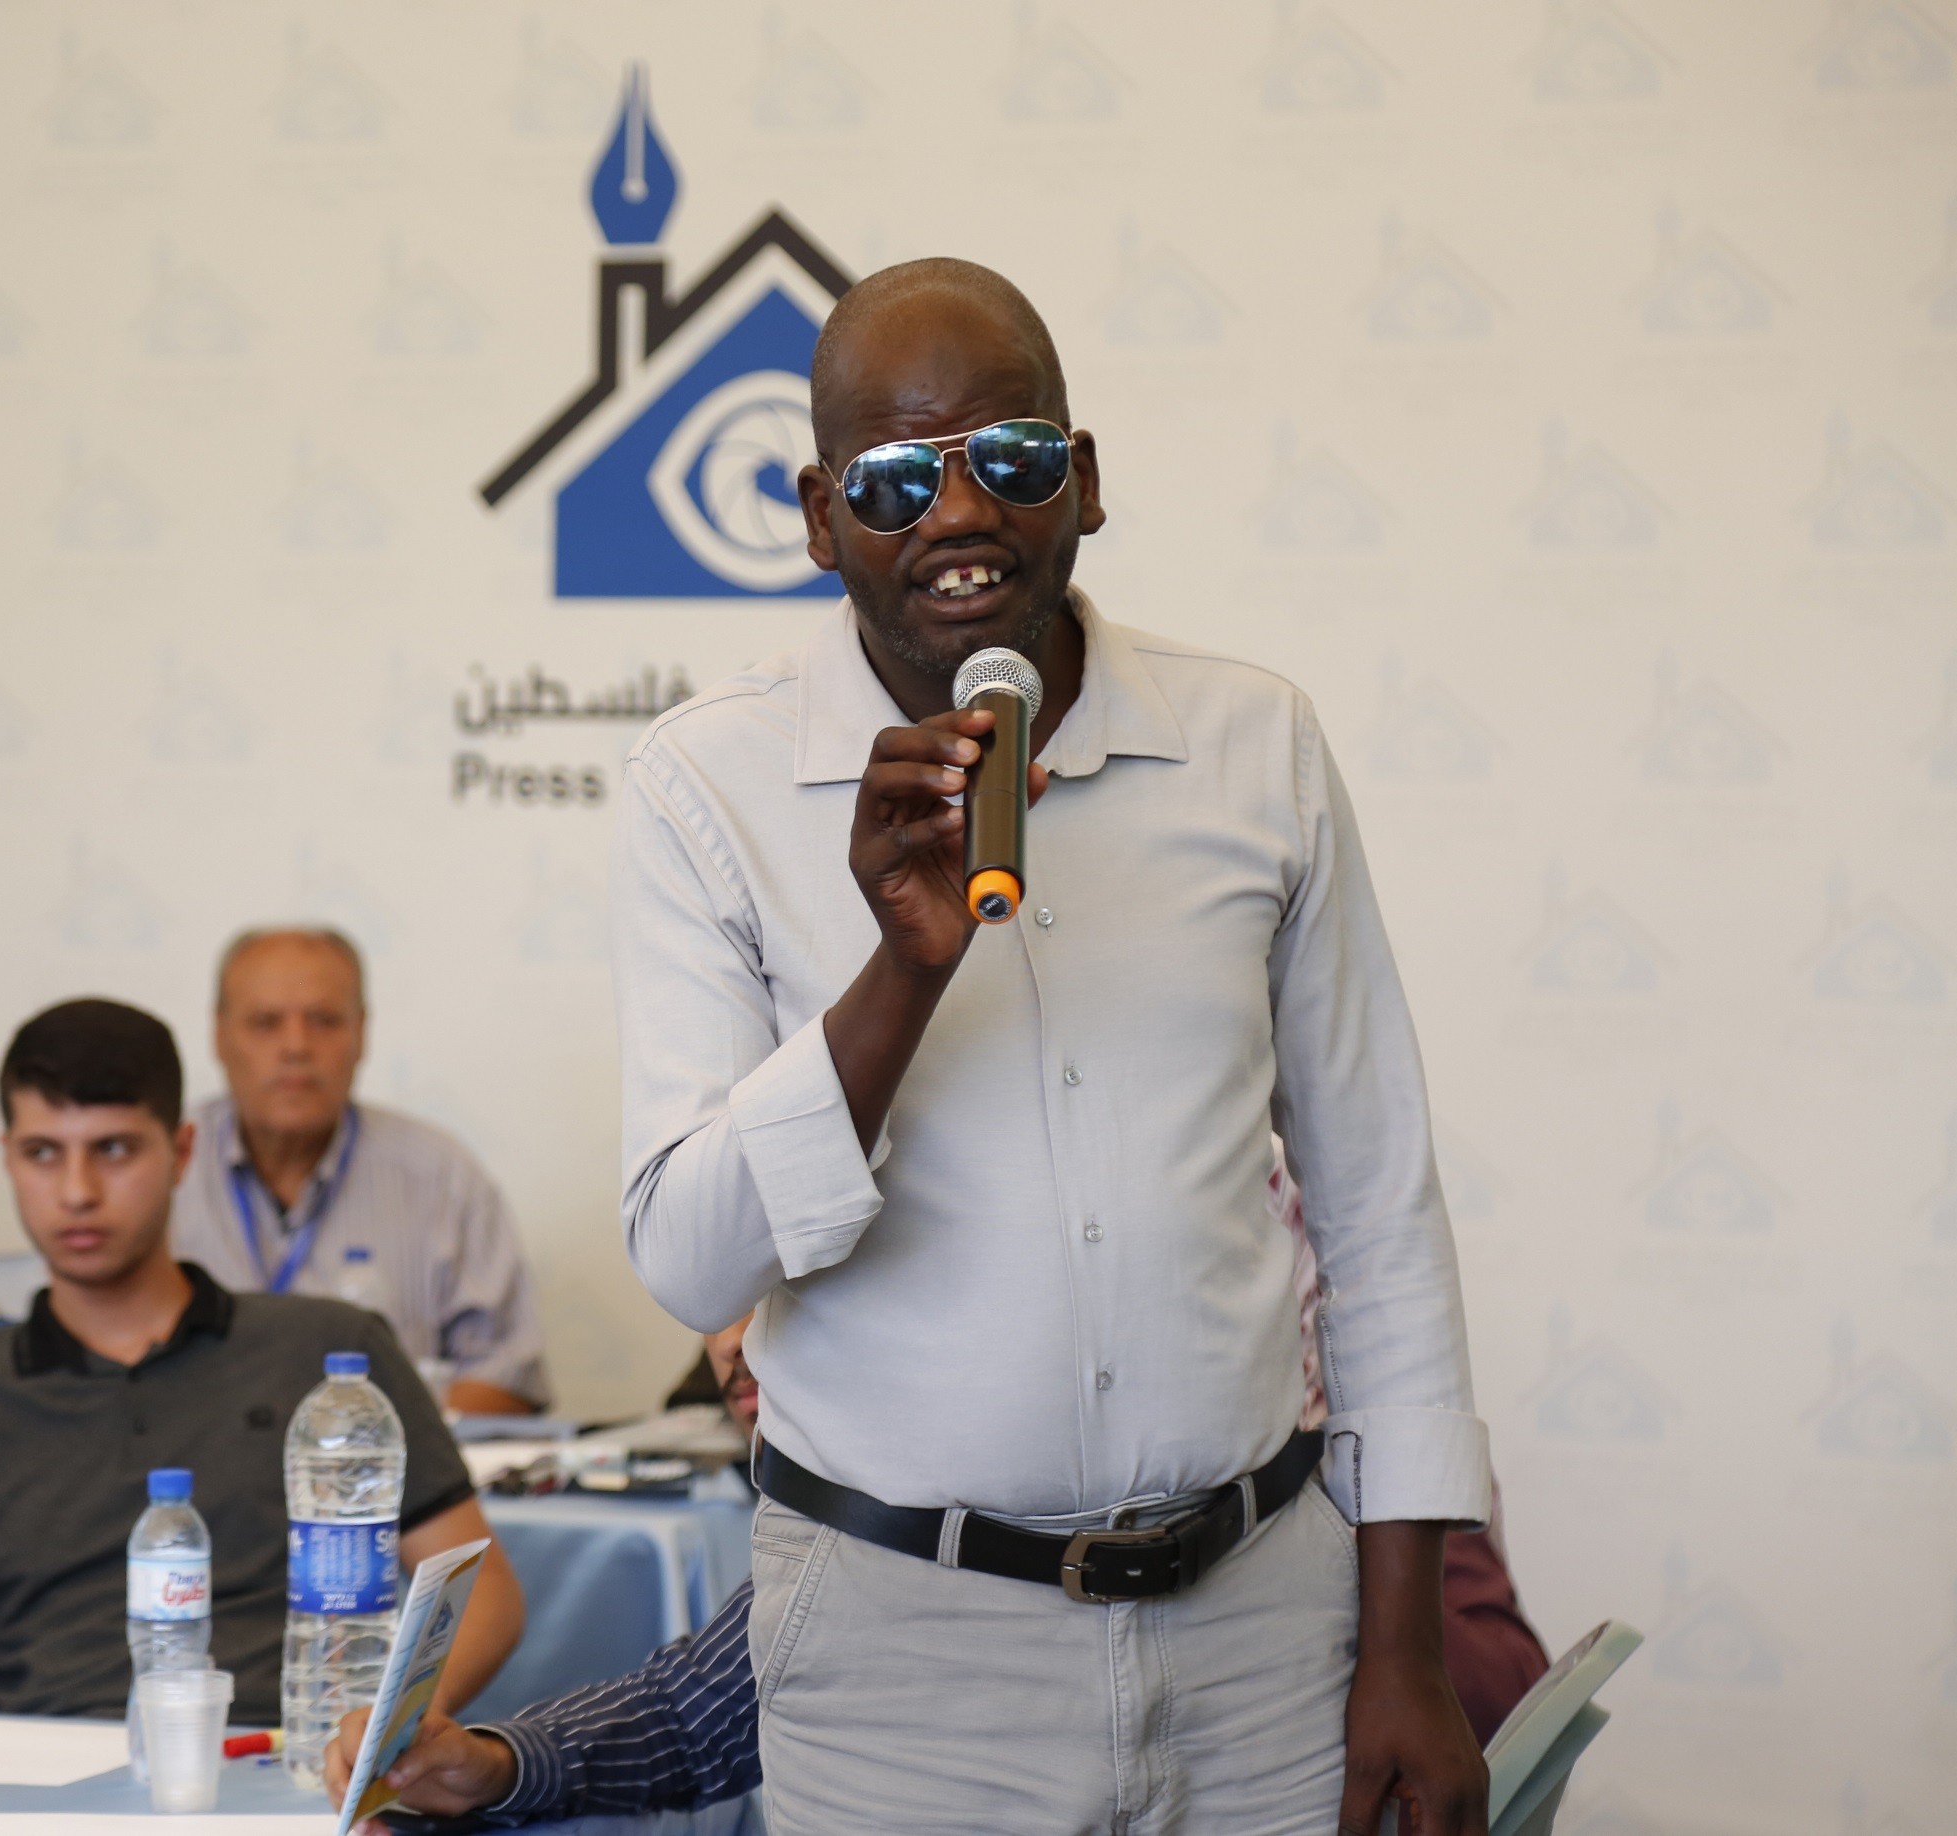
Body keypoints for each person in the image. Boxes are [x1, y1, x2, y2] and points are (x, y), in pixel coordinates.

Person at [612, 258, 1493, 1834]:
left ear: (1081, 481)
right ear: (818, 518)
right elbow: (693, 1263)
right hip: (902, 1665)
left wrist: (1407, 1651)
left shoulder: (1256, 745)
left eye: (1010, 459)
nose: (959, 515)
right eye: (895, 481)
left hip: (1263, 1637)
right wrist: (902, 972)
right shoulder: (706, 787)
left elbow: (1379, 1214)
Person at [332, 1311, 1548, 1832]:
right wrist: (497, 1762)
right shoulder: (893, 1502)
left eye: (779, 1304)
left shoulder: (1208, 1453)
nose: (735, 1353)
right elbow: (715, 1701)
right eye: (723, 1319)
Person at [0, 997, 524, 1722]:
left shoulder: (330, 1355)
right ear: (7, 1159)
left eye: (115, 1149)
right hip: (35, 1778)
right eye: (42, 1153)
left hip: (290, 1756)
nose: (78, 1191)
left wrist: (380, 1736)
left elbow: (478, 1589)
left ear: (181, 1152)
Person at [170, 926, 548, 1415]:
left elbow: (510, 1381)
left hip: (385, 1461)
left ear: (361, 1034)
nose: (296, 1046)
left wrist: (366, 1434)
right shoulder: (157, 1165)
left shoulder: (441, 1176)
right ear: (219, 1036)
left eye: (324, 1021)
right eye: (265, 1023)